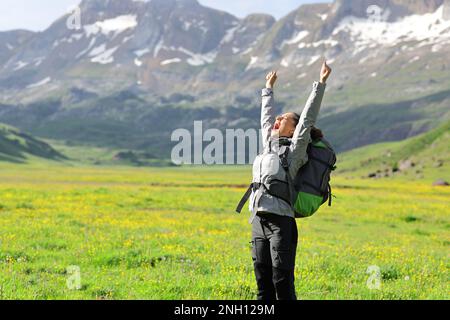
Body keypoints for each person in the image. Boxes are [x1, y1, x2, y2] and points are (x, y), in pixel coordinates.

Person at [249, 61, 332, 300]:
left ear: (293, 129)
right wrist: (268, 88)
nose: (277, 119)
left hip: (280, 222)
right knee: (262, 283)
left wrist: (321, 83)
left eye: (283, 118)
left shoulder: (296, 150)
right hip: (257, 219)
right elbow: (266, 118)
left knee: (281, 281)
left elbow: (307, 118)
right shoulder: (268, 144)